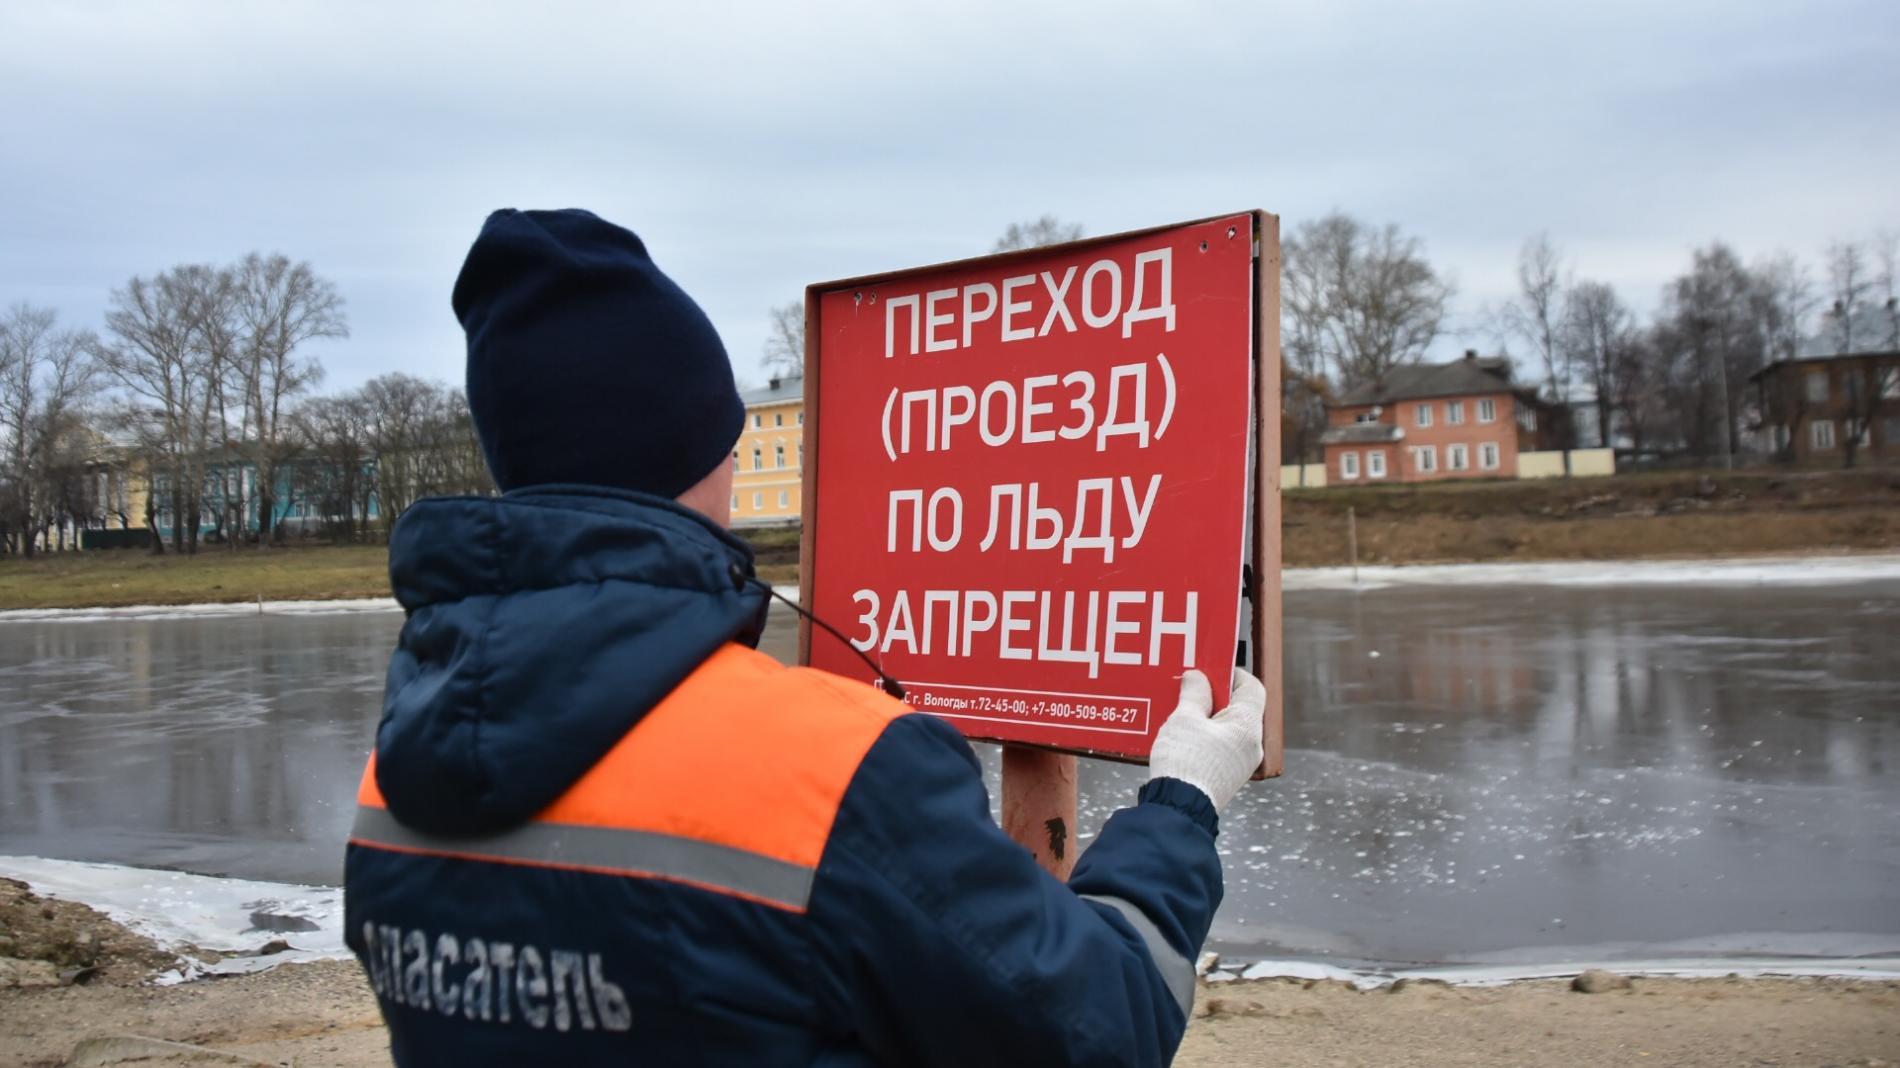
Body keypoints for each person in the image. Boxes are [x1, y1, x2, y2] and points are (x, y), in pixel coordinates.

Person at [343, 207, 1269, 1067]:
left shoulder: (398, 765)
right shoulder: (833, 767)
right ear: (697, 452)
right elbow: (1102, 1020)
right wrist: (1180, 805)